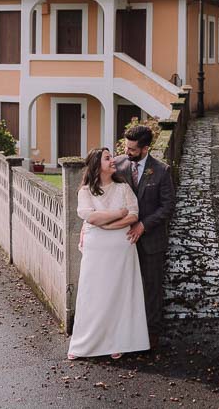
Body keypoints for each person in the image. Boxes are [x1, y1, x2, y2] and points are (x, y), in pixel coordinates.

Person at [67, 148, 149, 360]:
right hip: (96, 250)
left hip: (121, 248)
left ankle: (117, 341)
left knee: (118, 295)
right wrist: (117, 213)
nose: (113, 160)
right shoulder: (85, 191)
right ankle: (82, 343)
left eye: (111, 156)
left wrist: (111, 225)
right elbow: (89, 216)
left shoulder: (123, 188)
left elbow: (133, 214)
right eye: (107, 158)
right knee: (91, 294)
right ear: (97, 164)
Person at [114, 124, 175, 348]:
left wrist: (143, 225)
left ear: (145, 148)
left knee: (152, 287)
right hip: (122, 241)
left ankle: (151, 334)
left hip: (151, 241)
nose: (127, 152)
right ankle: (127, 331)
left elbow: (167, 207)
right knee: (125, 287)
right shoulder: (117, 165)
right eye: (126, 147)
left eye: (132, 149)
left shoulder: (161, 171)